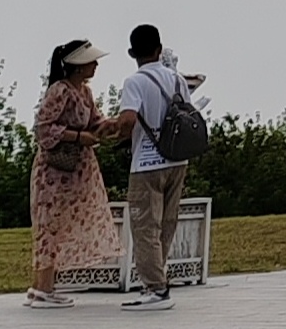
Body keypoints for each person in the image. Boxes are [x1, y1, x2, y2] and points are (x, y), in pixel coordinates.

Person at [101, 22, 201, 311]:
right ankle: (157, 280)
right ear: (159, 49)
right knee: (166, 225)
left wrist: (114, 132)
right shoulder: (178, 80)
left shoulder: (134, 83)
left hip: (146, 162)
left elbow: (129, 120)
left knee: (145, 226)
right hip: (176, 160)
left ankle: (156, 289)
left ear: (132, 52)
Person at [26, 42, 122, 305]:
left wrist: (110, 126)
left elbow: (95, 119)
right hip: (56, 170)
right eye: (90, 61)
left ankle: (44, 285)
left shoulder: (84, 93)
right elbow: (43, 129)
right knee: (50, 224)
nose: (96, 65)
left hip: (76, 170)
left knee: (61, 223)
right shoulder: (60, 91)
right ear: (77, 66)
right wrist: (79, 137)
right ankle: (43, 286)